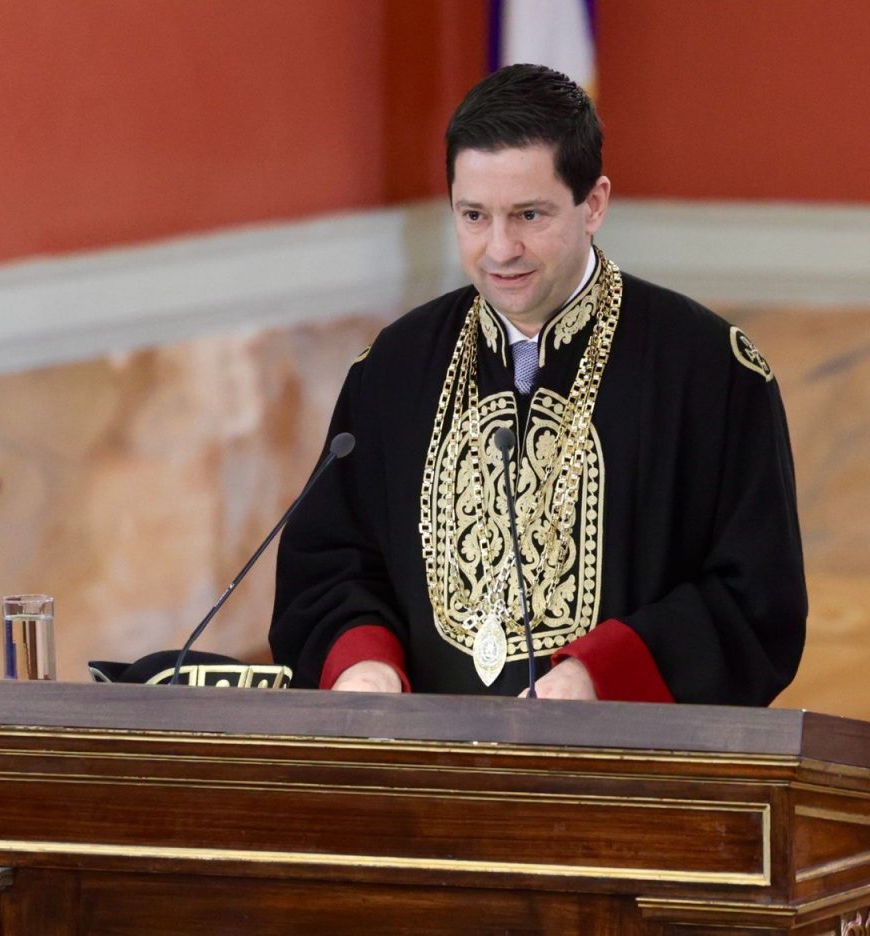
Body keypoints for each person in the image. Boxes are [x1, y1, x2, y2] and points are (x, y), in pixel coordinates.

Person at [268, 64, 806, 705]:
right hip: (424, 758)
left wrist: (598, 676)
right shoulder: (393, 368)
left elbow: (755, 602)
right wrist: (365, 665)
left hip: (620, 759)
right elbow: (329, 567)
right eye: (474, 215)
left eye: (528, 215)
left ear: (594, 204)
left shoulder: (711, 372)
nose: (500, 249)